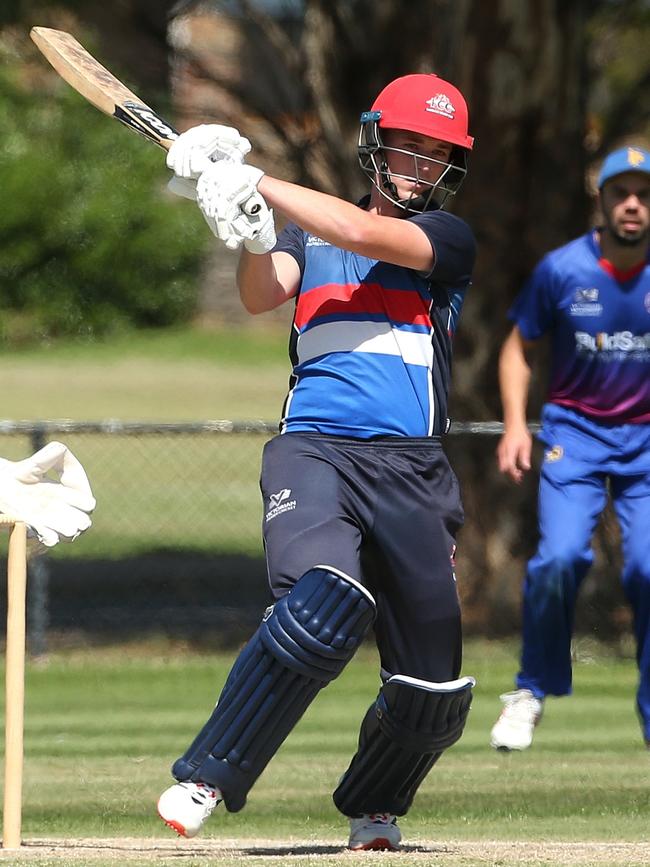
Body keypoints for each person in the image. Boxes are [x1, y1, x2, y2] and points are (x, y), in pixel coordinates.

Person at [157, 73, 477, 851]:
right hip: (316, 451)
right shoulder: (311, 234)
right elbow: (267, 291)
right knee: (321, 604)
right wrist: (256, 230)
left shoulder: (446, 239)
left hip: (413, 468)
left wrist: (257, 176)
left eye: (437, 154)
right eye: (409, 145)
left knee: (434, 689)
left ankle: (375, 806)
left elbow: (370, 238)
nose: (421, 164)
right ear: (375, 144)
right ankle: (208, 774)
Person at [490, 145, 650, 752]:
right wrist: (514, 425)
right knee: (557, 561)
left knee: (649, 569)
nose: (633, 205)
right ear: (602, 200)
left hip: (646, 446)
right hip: (574, 438)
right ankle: (532, 689)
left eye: (645, 195)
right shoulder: (562, 270)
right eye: (621, 193)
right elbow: (516, 348)